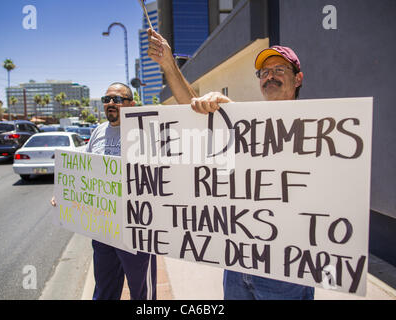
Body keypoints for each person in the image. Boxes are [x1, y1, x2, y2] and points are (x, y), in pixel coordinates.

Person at [147, 29, 314, 300]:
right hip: (238, 266)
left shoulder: (315, 130)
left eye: (279, 69)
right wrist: (169, 65)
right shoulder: (243, 125)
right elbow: (194, 110)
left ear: (298, 78)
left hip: (287, 272)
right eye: (264, 72)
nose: (269, 76)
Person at [51, 82, 157, 300]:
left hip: (134, 229)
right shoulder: (98, 131)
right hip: (102, 228)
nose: (110, 104)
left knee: (142, 293)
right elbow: (85, 168)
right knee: (104, 289)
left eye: (117, 100)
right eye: (106, 99)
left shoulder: (145, 131)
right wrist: (64, 191)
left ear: (131, 104)